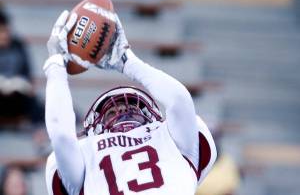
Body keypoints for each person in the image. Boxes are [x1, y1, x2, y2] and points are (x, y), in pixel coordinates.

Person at [44, 10, 217, 195]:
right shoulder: (85, 153)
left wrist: (128, 62)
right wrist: (56, 66)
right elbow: (62, 136)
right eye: (112, 112)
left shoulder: (170, 137)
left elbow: (179, 100)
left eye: (131, 108)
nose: (122, 114)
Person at [0, 7, 44, 126]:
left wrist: (26, 86)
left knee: (37, 105)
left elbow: (29, 76)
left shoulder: (18, 45)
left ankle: (39, 130)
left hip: (17, 96)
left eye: (6, 31)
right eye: (1, 31)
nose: (5, 35)